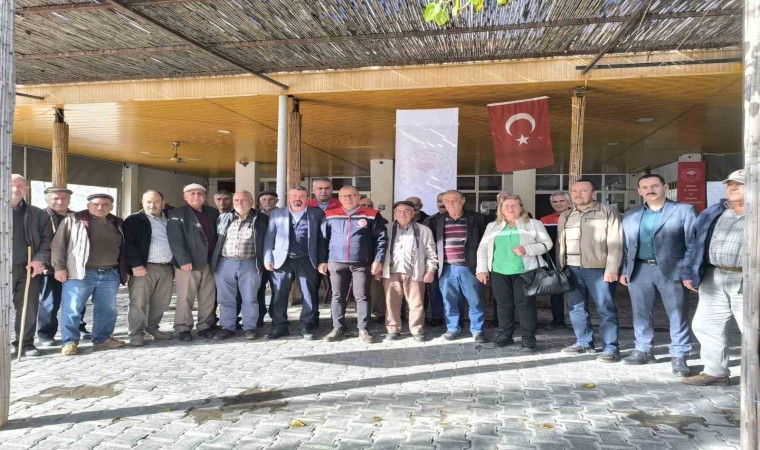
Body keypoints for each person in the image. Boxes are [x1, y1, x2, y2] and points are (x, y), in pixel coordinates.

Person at [619, 174, 696, 376]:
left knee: (677, 314)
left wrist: (688, 271)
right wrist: (624, 270)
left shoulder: (683, 210)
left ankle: (679, 355)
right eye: (645, 187)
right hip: (639, 269)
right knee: (640, 313)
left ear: (665, 187)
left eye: (654, 186)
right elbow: (626, 246)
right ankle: (643, 350)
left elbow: (693, 244)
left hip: (673, 270)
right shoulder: (631, 215)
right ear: (639, 191)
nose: (650, 190)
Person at [682, 169, 745, 386]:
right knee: (705, 325)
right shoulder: (714, 212)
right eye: (730, 184)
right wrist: (688, 271)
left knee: (752, 330)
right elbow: (694, 242)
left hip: (748, 280)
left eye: (740, 184)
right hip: (714, 276)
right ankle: (716, 372)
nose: (733, 187)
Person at [52, 193, 128, 356]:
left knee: (107, 309)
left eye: (105, 205)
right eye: (96, 204)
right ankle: (70, 342)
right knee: (72, 308)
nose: (100, 207)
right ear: (88, 206)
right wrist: (59, 267)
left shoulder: (118, 223)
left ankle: (102, 338)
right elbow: (58, 245)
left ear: (111, 207)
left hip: (110, 273)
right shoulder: (73, 220)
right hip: (81, 273)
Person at [557, 179, 623, 362]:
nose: (578, 194)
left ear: (594, 193)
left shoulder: (607, 212)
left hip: (598, 269)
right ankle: (584, 342)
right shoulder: (566, 215)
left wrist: (612, 268)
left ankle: (611, 347)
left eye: (583, 190)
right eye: (574, 191)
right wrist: (561, 266)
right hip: (571, 268)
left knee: (605, 308)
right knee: (576, 307)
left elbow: (616, 242)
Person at [476, 195, 551, 350]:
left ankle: (528, 337)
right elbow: (483, 248)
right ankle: (505, 335)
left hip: (525, 271)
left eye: (514, 205)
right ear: (501, 209)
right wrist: (481, 269)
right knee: (503, 304)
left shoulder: (533, 224)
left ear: (521, 207)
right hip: (498, 271)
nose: (511, 208)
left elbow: (547, 244)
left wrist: (527, 249)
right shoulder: (492, 226)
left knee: (525, 304)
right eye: (507, 206)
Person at [320, 185, 388, 343]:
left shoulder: (372, 215)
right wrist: (322, 260)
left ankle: (363, 328)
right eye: (344, 196)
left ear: (358, 197)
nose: (348, 198)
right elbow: (322, 239)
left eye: (352, 195)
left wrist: (378, 260)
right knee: (337, 296)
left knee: (362, 296)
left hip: (361, 263)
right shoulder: (330, 215)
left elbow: (381, 239)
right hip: (336, 262)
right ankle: (338, 327)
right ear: (339, 198)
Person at [264, 186, 327, 340]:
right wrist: (268, 258)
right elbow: (269, 237)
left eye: (301, 196)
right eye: (294, 196)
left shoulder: (317, 214)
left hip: (307, 259)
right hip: (282, 260)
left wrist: (322, 260)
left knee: (309, 294)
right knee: (279, 294)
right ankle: (279, 325)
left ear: (307, 198)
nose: (297, 199)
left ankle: (306, 325)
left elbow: (322, 240)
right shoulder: (277, 214)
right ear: (289, 198)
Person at [426, 190, 488, 342]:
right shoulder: (434, 221)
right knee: (449, 301)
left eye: (454, 200)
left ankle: (477, 330)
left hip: (470, 267)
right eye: (447, 201)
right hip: (446, 268)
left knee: (475, 300)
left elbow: (485, 245)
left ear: (463, 201)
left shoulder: (478, 219)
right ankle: (453, 328)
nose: (451, 203)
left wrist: (483, 268)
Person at [210, 191, 268, 340]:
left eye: (243, 200)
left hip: (250, 263)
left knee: (250, 298)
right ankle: (227, 327)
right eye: (236, 200)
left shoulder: (261, 219)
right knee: (225, 298)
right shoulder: (224, 218)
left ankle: (249, 327)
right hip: (225, 263)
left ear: (252, 202)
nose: (239, 203)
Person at [37, 186, 90, 346]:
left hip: (74, 267)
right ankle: (46, 334)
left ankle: (79, 327)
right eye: (55, 198)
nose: (60, 201)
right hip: (49, 267)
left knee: (77, 300)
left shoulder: (77, 217)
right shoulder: (40, 217)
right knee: (49, 303)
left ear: (69, 200)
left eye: (64, 198)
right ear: (47, 199)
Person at [167, 183, 220, 341]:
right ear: (185, 197)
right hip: (188, 264)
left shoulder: (213, 212)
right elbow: (175, 239)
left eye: (200, 193)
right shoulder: (176, 214)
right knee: (185, 297)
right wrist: (183, 259)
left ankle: (205, 325)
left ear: (205, 196)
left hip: (210, 262)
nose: (196, 196)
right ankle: (183, 327)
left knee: (208, 297)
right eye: (192, 193)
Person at [123, 190, 175, 346]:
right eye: (148, 202)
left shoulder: (170, 219)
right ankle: (136, 333)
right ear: (143, 202)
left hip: (167, 267)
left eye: (156, 201)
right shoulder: (134, 219)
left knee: (161, 302)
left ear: (163, 203)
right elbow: (128, 244)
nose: (152, 205)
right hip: (144, 267)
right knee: (139, 302)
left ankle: (152, 327)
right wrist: (135, 264)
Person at [380, 201, 437, 342]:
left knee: (416, 303)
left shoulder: (423, 230)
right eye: (399, 211)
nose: (402, 214)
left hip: (415, 272)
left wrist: (430, 269)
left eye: (406, 211)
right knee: (391, 303)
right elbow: (379, 250)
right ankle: (393, 329)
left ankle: (417, 330)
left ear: (413, 213)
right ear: (395, 214)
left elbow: (431, 252)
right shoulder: (387, 229)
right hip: (391, 272)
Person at [10, 175, 53, 357]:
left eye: (20, 186)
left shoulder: (38, 214)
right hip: (3, 266)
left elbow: (47, 239)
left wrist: (40, 260)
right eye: (11, 185)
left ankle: (25, 343)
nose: (15, 189)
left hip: (28, 267)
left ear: (26, 190)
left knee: (28, 307)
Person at [539, 191, 571, 329]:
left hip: (573, 259)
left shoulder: (576, 217)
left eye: (561, 201)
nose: (558, 204)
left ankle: (579, 321)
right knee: (556, 292)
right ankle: (558, 319)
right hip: (553, 261)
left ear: (569, 202)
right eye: (555, 202)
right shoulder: (544, 220)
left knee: (576, 292)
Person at [359, 195, 386, 323]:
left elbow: (382, 241)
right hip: (358, 261)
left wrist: (379, 261)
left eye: (369, 205)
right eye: (363, 205)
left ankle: (379, 313)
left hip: (375, 259)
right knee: (361, 289)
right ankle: (362, 314)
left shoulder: (381, 220)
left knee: (377, 289)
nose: (367, 207)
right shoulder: (352, 219)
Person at [256, 189, 279, 326]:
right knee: (258, 289)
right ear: (260, 202)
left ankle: (276, 316)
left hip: (279, 259)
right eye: (264, 199)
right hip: (259, 259)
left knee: (278, 289)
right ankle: (259, 316)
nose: (267, 202)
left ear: (276, 201)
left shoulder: (284, 215)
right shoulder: (255, 217)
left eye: (271, 199)